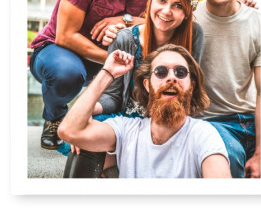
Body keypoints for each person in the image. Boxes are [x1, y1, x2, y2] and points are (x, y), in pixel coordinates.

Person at [61, 0, 204, 178]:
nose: (166, 11)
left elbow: (190, 91)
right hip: (127, 118)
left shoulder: (194, 35)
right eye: (161, 0)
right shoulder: (125, 38)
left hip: (168, 119)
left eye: (178, 5)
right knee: (83, 142)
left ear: (186, 13)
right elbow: (113, 95)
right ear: (150, 1)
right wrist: (91, 109)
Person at [29, 0, 160, 150]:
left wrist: (124, 18)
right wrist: (112, 61)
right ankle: (54, 117)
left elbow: (158, 21)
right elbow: (65, 36)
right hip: (56, 51)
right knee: (67, 74)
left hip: (105, 60)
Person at [58, 45, 231, 178]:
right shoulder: (126, 129)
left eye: (180, 72)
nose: (171, 77)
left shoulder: (203, 135)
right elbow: (69, 130)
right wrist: (107, 73)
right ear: (147, 85)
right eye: (161, 72)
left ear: (191, 87)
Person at [190, 0, 261, 178]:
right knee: (228, 159)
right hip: (214, 123)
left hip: (254, 118)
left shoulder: (258, 22)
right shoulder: (190, 22)